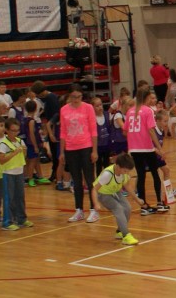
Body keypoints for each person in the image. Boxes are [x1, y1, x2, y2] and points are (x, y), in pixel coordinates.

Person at [60, 85, 100, 223]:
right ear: (69, 96)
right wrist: (62, 152)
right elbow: (63, 132)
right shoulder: (64, 110)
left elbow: (93, 130)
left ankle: (94, 209)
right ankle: (79, 210)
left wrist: (94, 150)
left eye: (79, 97)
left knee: (89, 179)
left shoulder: (88, 108)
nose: (76, 99)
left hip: (86, 147)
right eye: (73, 97)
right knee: (76, 181)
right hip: (71, 148)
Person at [95, 153, 141, 246]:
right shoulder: (107, 174)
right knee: (118, 208)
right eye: (125, 170)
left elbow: (128, 186)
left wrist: (137, 200)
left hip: (115, 192)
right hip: (103, 194)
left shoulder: (124, 173)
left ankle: (119, 231)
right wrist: (96, 203)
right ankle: (126, 235)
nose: (126, 173)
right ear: (118, 166)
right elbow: (94, 189)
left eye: (128, 171)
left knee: (127, 208)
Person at [0, 118, 31, 230]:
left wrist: (24, 151)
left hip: (19, 172)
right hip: (9, 173)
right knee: (9, 198)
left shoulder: (20, 141)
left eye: (17, 130)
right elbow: (1, 160)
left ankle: (21, 219)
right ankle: (7, 222)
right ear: (7, 130)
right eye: (13, 130)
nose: (15, 133)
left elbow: (24, 157)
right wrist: (14, 153)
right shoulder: (4, 144)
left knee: (20, 197)